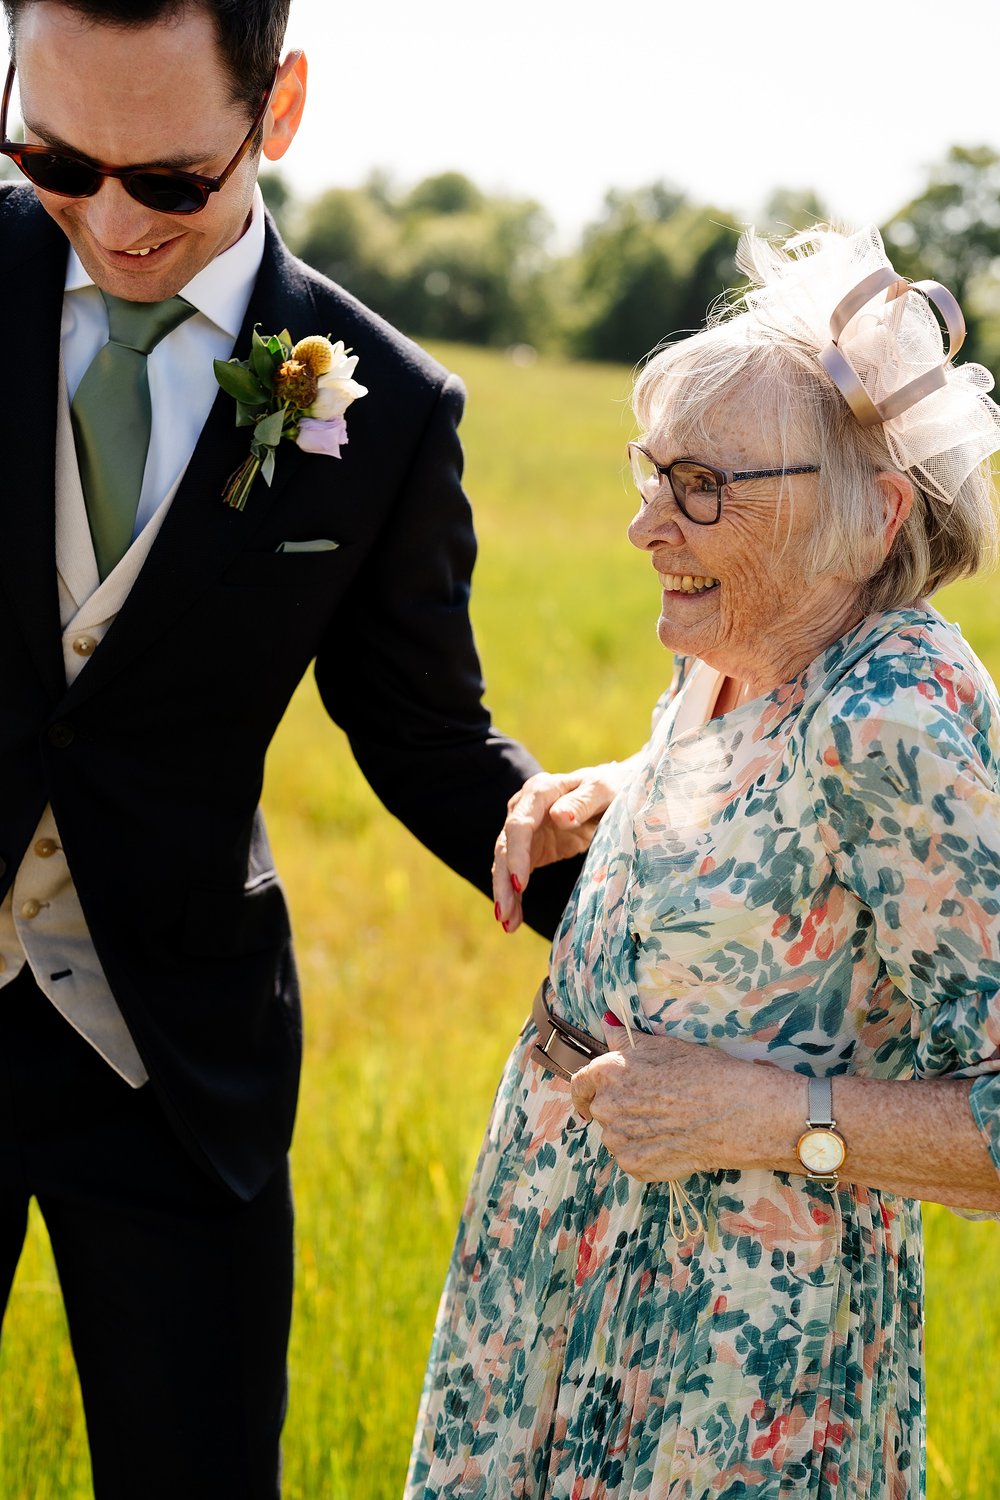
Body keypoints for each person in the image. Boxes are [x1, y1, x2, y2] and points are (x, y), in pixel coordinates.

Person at [0, 2, 579, 1495]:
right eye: (55, 159)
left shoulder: (381, 411)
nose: (113, 222)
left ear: (281, 108)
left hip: (176, 1060)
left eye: (171, 181)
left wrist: (639, 886)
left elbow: (425, 736)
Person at [408, 225, 1000, 1498]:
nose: (641, 527)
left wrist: (774, 1117)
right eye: (649, 473)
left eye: (699, 489)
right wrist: (613, 796)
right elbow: (780, 798)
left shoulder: (895, 709)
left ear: (868, 520)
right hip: (555, 1248)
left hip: (729, 1360)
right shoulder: (741, 637)